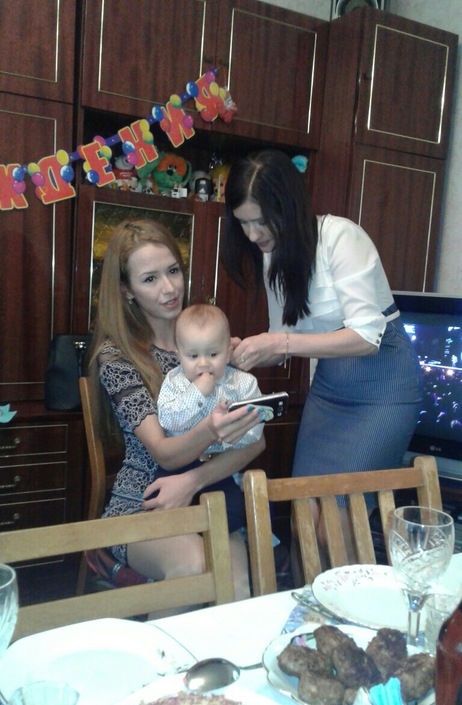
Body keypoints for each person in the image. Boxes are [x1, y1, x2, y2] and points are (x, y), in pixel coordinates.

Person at [223, 148, 423, 574]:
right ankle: (306, 611)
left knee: (337, 526)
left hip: (383, 388)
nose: (253, 234)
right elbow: (283, 338)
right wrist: (239, 352)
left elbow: (367, 337)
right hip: (331, 388)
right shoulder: (272, 256)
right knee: (304, 520)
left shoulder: (341, 237)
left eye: (261, 221)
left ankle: (349, 611)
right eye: (243, 223)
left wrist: (280, 342)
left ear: (289, 206)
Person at [88, 219, 266, 605]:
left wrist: (194, 480)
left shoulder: (212, 344)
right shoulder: (118, 357)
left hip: (210, 495)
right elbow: (165, 453)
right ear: (126, 290)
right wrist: (213, 429)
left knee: (238, 588)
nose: (169, 288)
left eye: (172, 271)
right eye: (150, 279)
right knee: (193, 568)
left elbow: (255, 443)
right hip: (144, 501)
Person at [156, 303, 271, 531]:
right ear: (179, 356)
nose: (203, 363)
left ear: (228, 352)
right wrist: (197, 393)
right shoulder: (174, 382)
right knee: (167, 519)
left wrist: (226, 436)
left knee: (232, 516)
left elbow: (255, 431)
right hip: (179, 466)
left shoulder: (243, 384)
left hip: (220, 467)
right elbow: (169, 421)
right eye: (193, 356)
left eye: (213, 354)